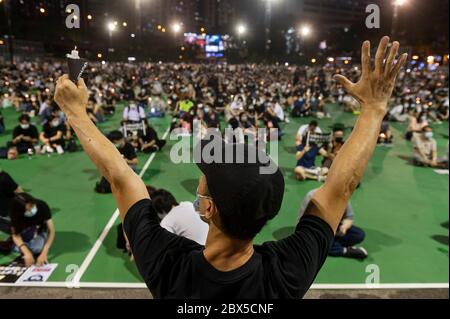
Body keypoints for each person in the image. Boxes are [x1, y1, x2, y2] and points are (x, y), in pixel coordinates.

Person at [54, 37, 407, 299]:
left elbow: (119, 175)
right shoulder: (287, 273)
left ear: (207, 209)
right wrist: (374, 109)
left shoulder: (168, 266)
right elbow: (340, 187)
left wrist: (75, 113)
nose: (199, 186)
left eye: (203, 182)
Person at [299, 189, 368, 259]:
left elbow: (349, 217)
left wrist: (344, 227)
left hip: (334, 229)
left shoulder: (343, 196)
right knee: (310, 242)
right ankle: (344, 250)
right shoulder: (312, 195)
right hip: (316, 230)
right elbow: (301, 221)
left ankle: (330, 246)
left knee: (359, 234)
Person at [5, 193, 55, 267]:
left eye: (32, 206)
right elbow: (16, 235)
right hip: (24, 230)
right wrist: (26, 252)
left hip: (39, 230)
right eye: (27, 210)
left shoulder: (42, 206)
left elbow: (51, 231)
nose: (31, 210)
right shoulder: (14, 213)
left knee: (37, 248)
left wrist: (44, 253)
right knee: (20, 246)